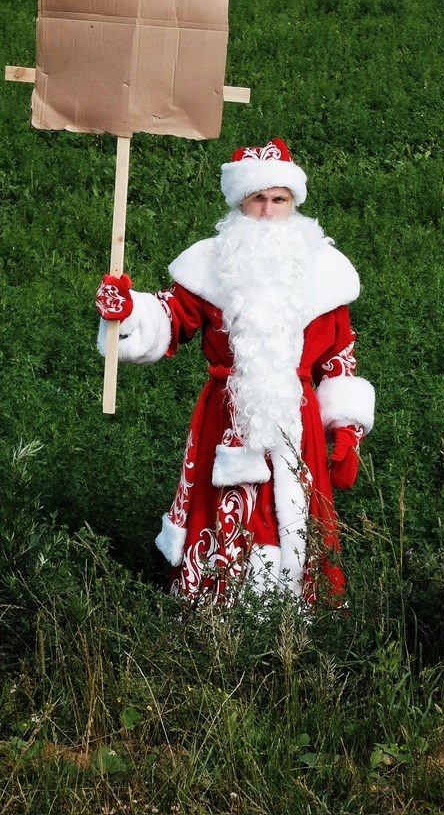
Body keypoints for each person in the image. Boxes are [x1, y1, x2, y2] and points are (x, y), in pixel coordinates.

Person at [95, 138, 375, 606]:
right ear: (240, 202)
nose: (267, 211)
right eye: (258, 198)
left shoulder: (326, 273)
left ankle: (292, 624)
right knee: (221, 515)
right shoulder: (210, 264)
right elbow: (170, 317)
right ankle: (211, 615)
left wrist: (347, 429)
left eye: (278, 199)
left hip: (298, 423)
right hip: (225, 417)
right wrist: (128, 312)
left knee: (295, 518)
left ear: (293, 202)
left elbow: (339, 353)